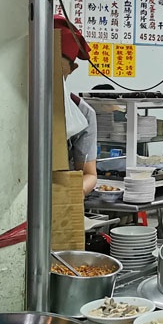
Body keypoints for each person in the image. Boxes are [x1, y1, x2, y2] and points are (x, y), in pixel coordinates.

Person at [55, 16, 98, 195]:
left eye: (57, 67)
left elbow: (89, 174)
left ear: (72, 68)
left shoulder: (82, 113)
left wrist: (72, 195)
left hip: (59, 196)